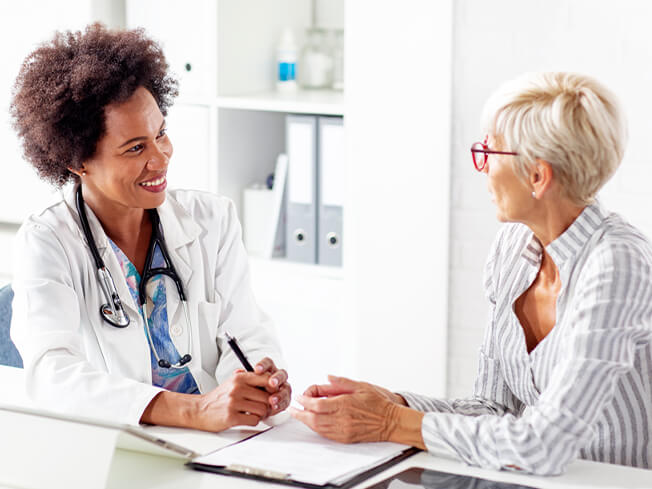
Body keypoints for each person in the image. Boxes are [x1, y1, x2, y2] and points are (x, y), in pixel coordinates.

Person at [291, 72, 652, 475]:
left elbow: (544, 445)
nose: (481, 168)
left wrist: (391, 422)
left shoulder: (618, 263)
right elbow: (493, 409)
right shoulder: (512, 248)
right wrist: (394, 402)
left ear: (538, 176)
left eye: (489, 153)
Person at [9, 24, 291, 431]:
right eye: (135, 148)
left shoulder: (212, 221)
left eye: (161, 134)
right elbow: (51, 373)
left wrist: (258, 381)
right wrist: (194, 411)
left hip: (221, 441)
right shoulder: (48, 242)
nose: (160, 159)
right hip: (121, 441)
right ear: (78, 161)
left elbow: (245, 331)